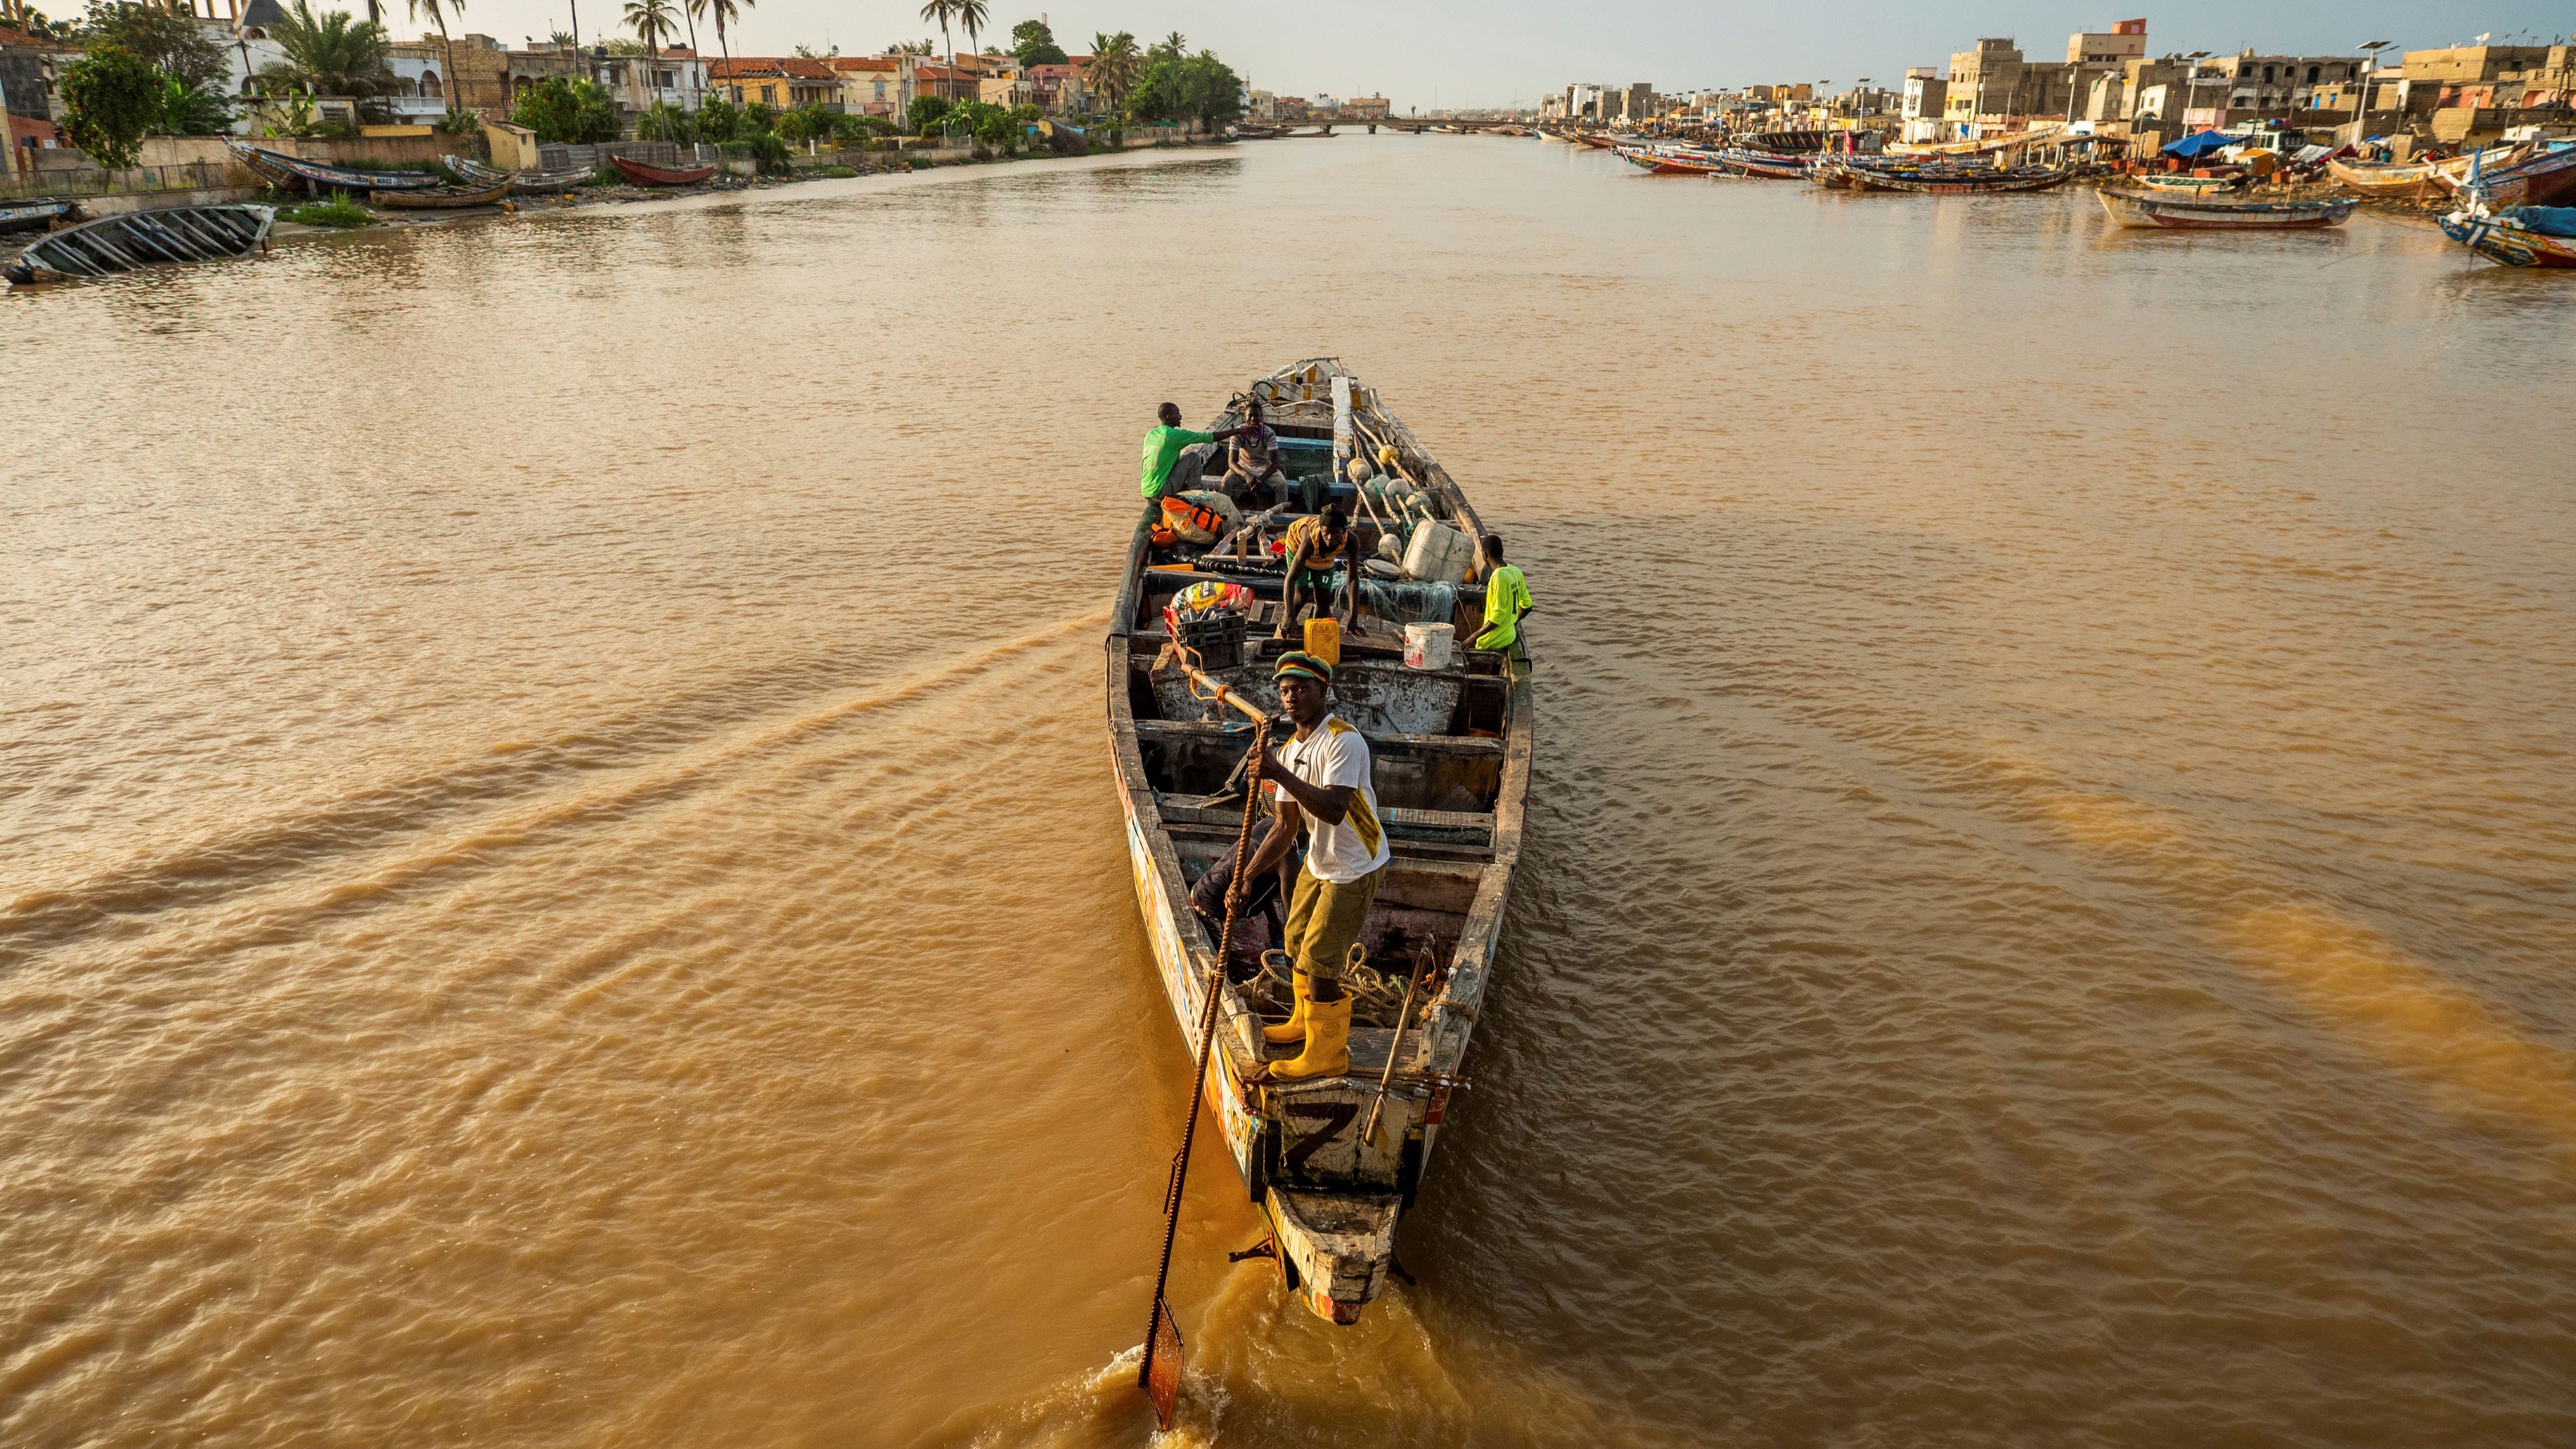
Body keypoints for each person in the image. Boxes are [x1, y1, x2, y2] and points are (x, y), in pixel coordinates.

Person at [1233, 650, 1391, 1081]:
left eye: (1302, 688)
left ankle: (1328, 1055)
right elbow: (1284, 827)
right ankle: (1304, 1023)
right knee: (1296, 941)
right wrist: (1245, 876)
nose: (1292, 698)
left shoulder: (1344, 740)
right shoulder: (1287, 750)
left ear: (1323, 691)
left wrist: (1277, 774)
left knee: (1321, 963)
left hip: (1355, 865)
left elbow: (1335, 809)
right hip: (1321, 860)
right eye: (1284, 691)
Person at [1274, 505, 1363, 641]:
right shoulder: (1309, 542)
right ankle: (1284, 632)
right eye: (1326, 533)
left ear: (1344, 532)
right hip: (1297, 547)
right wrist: (1291, 616)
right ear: (1321, 530)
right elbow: (1290, 579)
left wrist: (1353, 617)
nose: (1330, 538)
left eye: (1336, 534)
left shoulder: (1351, 541)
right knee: (1301, 596)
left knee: (1324, 600)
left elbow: (1352, 579)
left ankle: (1316, 640)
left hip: (1325, 559)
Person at [1470, 532, 1533, 664]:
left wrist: (1473, 637)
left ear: (1485, 555)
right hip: (1510, 636)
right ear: (1502, 551)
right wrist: (1513, 620)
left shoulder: (1498, 577)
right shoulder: (1516, 571)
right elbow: (1527, 606)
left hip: (1493, 641)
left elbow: (1498, 617)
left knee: (1467, 648)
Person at [1222, 399, 1290, 508]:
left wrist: (1261, 478)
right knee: (1226, 481)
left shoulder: (1269, 433)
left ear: (1261, 417)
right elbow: (1232, 462)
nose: (1253, 419)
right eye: (1250, 416)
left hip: (1264, 467)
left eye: (1257, 416)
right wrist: (1247, 475)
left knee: (1282, 484)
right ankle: (1225, 512)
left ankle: (1281, 516)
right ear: (1245, 417)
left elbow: (1275, 462)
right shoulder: (1238, 433)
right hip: (1244, 466)